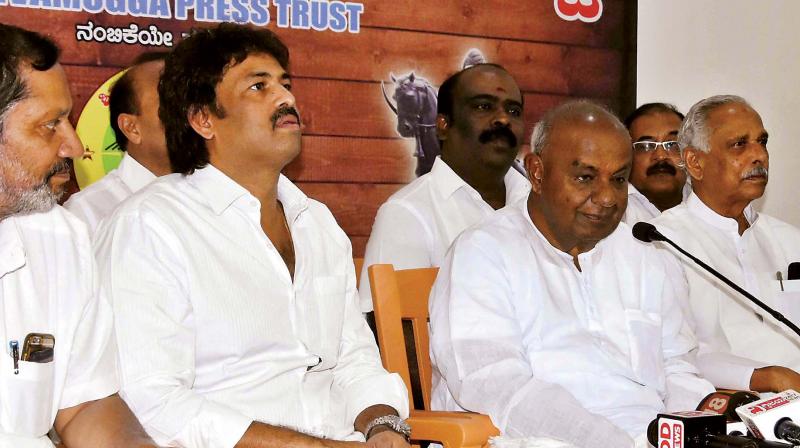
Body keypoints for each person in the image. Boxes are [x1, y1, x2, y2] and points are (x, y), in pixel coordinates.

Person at [94, 23, 410, 448]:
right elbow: (153, 402)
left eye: (285, 83)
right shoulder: (149, 226)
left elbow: (354, 358)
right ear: (203, 119)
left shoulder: (316, 222)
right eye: (258, 87)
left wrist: (383, 427)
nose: (286, 98)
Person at [429, 100, 714, 448]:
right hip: (537, 439)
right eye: (585, 177)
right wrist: (613, 443)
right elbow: (494, 384)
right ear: (537, 172)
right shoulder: (483, 252)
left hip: (651, 437)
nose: (607, 198)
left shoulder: (644, 251)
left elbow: (678, 366)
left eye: (619, 179)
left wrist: (698, 434)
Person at [0, 23, 156, 448]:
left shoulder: (59, 235)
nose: (72, 145)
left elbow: (84, 405)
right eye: (50, 125)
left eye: (68, 118)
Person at [651, 95, 800, 392]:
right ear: (695, 162)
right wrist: (764, 377)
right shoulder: (663, 240)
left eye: (762, 141)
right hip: (729, 410)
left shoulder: (790, 240)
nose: (759, 155)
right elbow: (677, 355)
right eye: (739, 144)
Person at [359, 63, 529, 312]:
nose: (503, 119)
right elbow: (391, 334)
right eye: (483, 106)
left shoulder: (539, 205)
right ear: (443, 126)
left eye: (513, 111)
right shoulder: (407, 214)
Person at [64, 51, 171, 234]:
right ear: (131, 128)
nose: (193, 115)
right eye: (171, 103)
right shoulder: (86, 213)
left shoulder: (218, 196)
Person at [622, 103, 689, 226]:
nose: (660, 156)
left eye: (673, 144)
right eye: (646, 145)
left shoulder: (709, 205)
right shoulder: (613, 209)